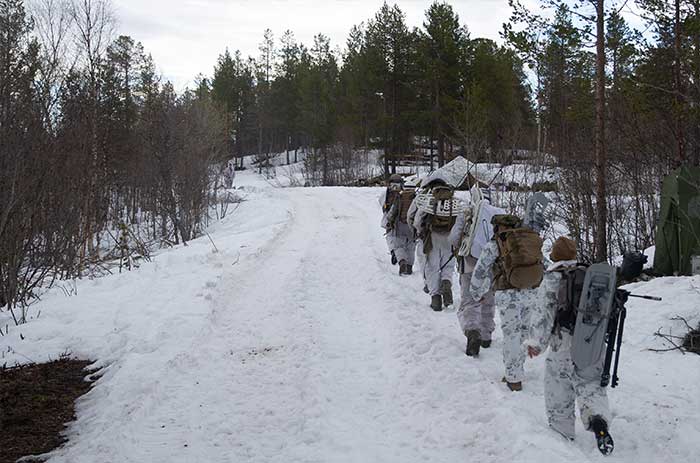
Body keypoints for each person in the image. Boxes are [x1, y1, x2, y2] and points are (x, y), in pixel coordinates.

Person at [524, 237, 614, 455]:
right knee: (590, 385)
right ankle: (597, 419)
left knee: (559, 391)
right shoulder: (591, 277)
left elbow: (543, 315)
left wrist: (536, 343)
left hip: (562, 345)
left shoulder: (552, 279)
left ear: (555, 256)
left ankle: (561, 436)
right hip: (591, 342)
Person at [470, 197, 547, 391]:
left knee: (512, 334)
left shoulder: (497, 243)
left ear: (498, 227)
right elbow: (543, 264)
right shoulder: (528, 240)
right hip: (531, 292)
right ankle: (517, 369)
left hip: (507, 294)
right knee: (522, 333)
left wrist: (476, 292)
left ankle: (513, 377)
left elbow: (481, 270)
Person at [449, 186, 502, 357]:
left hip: (469, 264)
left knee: (470, 300)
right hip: (492, 265)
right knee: (488, 300)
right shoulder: (499, 213)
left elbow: (454, 238)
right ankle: (486, 336)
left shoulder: (467, 212)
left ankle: (473, 331)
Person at [414, 181, 464, 311]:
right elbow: (460, 222)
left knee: (432, 268)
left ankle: (436, 298)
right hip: (449, 238)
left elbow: (418, 220)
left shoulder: (430, 202)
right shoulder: (455, 204)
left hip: (432, 238)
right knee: (448, 266)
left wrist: (420, 232)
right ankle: (446, 283)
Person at [386, 179, 418, 275]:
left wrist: (389, 221)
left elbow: (392, 212)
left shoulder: (399, 197)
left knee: (399, 246)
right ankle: (409, 267)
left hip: (399, 226)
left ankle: (402, 261)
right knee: (411, 247)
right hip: (412, 226)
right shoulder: (417, 198)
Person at [379, 174, 404, 265]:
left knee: (390, 236)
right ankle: (402, 254)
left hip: (389, 217)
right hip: (401, 218)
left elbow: (381, 202)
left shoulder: (386, 193)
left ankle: (394, 251)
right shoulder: (404, 192)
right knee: (402, 236)